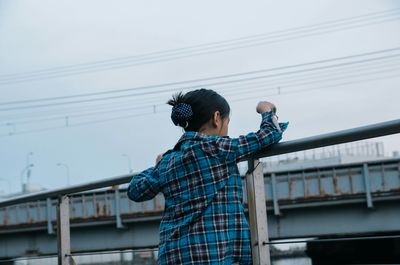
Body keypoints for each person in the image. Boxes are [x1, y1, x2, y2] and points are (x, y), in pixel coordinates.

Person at [127, 88, 288, 265]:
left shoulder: (168, 160)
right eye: (227, 122)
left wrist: (157, 165)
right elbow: (270, 134)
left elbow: (136, 190)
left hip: (173, 255)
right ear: (217, 118)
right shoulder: (219, 148)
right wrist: (266, 109)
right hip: (211, 255)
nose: (227, 128)